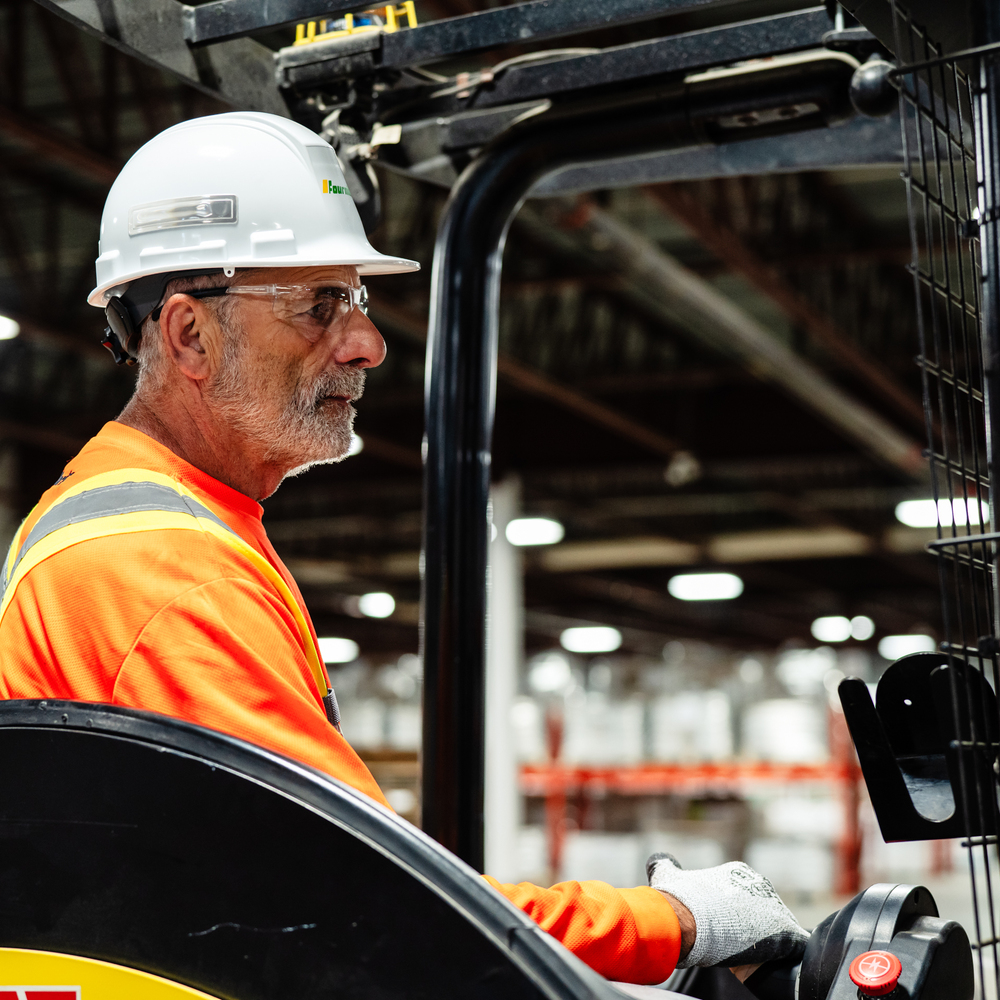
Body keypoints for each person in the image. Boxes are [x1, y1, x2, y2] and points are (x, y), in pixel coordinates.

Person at [0, 112, 807, 986]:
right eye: (318, 306)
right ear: (191, 335)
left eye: (357, 302)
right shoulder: (164, 576)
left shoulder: (142, 515)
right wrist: (675, 922)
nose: (367, 344)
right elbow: (365, 903)